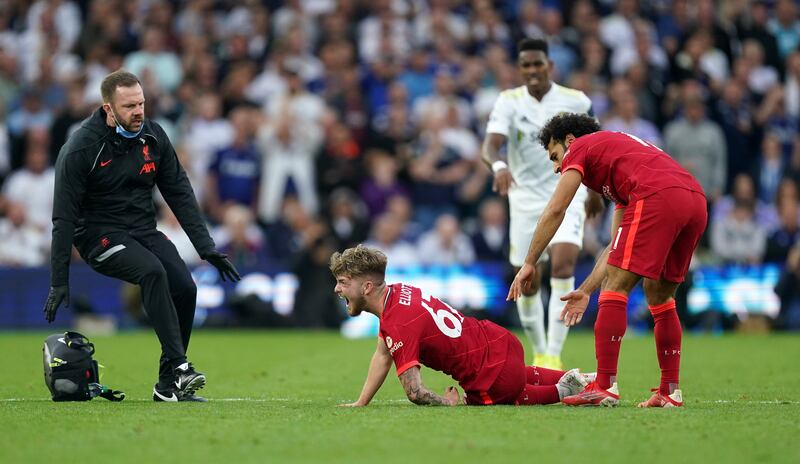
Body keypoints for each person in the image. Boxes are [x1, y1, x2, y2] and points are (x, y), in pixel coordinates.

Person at [42, 70, 241, 402]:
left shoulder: (153, 136)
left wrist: (206, 248)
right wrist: (59, 279)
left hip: (143, 231)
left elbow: (180, 192)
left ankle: (166, 386)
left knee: (186, 287)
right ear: (108, 109)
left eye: (141, 103)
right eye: (130, 106)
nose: (138, 112)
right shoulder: (80, 149)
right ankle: (180, 367)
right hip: (97, 237)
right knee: (152, 271)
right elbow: (62, 219)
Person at [508, 113, 707, 408]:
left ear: (570, 141)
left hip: (657, 195)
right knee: (659, 294)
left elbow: (555, 210)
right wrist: (587, 290)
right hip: (694, 200)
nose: (555, 168)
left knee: (616, 286)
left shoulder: (581, 147)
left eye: (554, 156)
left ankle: (604, 385)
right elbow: (616, 248)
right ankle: (669, 391)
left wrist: (529, 262)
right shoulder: (620, 162)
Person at [330, 245, 591, 407]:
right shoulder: (400, 291)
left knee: (500, 396)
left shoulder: (398, 322)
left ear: (366, 287)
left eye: (343, 282)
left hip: (490, 376)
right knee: (516, 376)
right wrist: (361, 402)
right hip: (500, 341)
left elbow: (415, 392)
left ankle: (562, 390)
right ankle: (591, 380)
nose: (337, 289)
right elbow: (382, 353)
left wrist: (447, 402)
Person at [482, 38, 602, 370]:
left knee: (563, 265)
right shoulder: (509, 101)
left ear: (549, 65)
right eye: (526, 65)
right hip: (524, 199)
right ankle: (539, 349)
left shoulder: (576, 100)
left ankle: (553, 355)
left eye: (538, 64)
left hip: (570, 191)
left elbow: (596, 146)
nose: (533, 70)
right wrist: (499, 166)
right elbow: (490, 146)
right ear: (519, 69)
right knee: (529, 276)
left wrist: (594, 191)